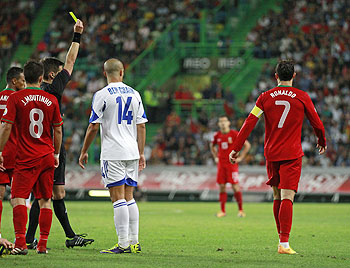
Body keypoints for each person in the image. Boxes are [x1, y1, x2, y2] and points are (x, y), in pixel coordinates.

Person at [229, 60, 326, 254]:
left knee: (276, 196)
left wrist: (236, 147)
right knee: (287, 197)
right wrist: (321, 140)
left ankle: (280, 239)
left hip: (271, 153)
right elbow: (317, 122)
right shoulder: (302, 97)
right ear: (294, 76)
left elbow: (250, 122)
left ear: (276, 76)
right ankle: (284, 243)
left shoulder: (265, 97)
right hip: (291, 154)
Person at [25, 19, 94, 249]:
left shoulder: (28, 93)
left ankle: (63, 236)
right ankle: (38, 238)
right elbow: (71, 61)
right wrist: (77, 35)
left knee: (52, 192)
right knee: (48, 193)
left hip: (31, 146)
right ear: (52, 75)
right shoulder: (53, 89)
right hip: (51, 148)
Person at [79, 58, 147, 254]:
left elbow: (93, 126)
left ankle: (123, 243)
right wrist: (141, 152)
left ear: (104, 73)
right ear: (122, 72)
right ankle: (134, 242)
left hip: (113, 152)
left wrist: (84, 150)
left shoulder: (101, 95)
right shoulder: (135, 94)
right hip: (132, 151)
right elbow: (141, 125)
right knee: (129, 197)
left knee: (118, 199)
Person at [0, 60, 63, 254]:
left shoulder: (16, 98)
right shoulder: (51, 99)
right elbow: (58, 130)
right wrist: (56, 153)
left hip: (26, 156)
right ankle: (42, 245)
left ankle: (20, 243)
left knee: (18, 197)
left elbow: (7, 126)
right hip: (46, 154)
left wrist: (0, 151)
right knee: (45, 199)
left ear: (24, 78)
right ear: (39, 78)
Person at [0, 67, 26, 238]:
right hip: (18, 153)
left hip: (1, 153)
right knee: (19, 197)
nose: (25, 83)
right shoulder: (20, 100)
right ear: (14, 81)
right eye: (23, 80)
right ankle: (21, 239)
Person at [210, 115, 251, 218]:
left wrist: (241, 157)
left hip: (231, 164)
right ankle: (222, 211)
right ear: (219, 124)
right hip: (221, 165)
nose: (223, 123)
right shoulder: (217, 135)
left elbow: (247, 145)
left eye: (224, 121)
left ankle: (241, 210)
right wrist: (215, 157)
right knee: (222, 187)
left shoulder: (234, 134)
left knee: (235, 186)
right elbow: (212, 146)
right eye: (221, 122)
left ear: (228, 123)